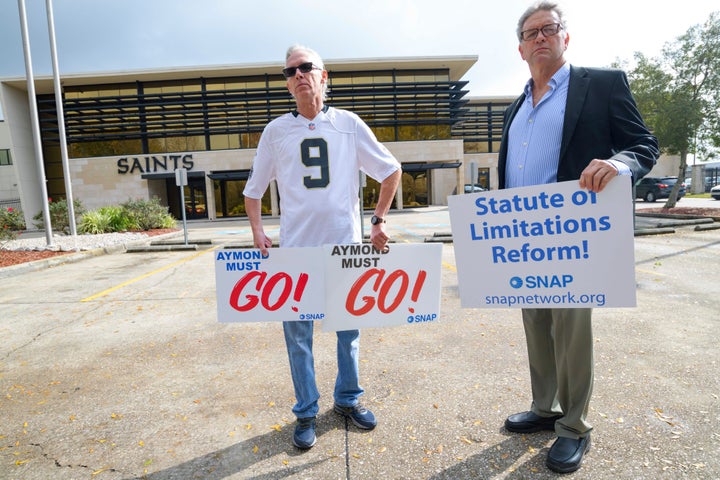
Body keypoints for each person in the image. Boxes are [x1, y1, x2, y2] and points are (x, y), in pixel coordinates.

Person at [497, 2, 659, 474]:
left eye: (550, 29)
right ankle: (545, 408)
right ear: (521, 48)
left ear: (566, 37)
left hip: (573, 235)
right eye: (531, 33)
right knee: (537, 327)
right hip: (523, 237)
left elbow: (643, 145)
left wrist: (618, 163)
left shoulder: (602, 84)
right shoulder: (515, 106)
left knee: (571, 331)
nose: (540, 37)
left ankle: (573, 426)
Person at [243, 45, 401, 450]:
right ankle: (306, 412)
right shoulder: (276, 131)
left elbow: (390, 170)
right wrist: (258, 231)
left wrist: (379, 220)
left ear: (324, 76)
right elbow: (254, 189)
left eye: (306, 67)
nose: (298, 74)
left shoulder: (348, 124)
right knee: (299, 339)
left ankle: (348, 400)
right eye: (290, 70)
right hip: (295, 253)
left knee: (348, 333)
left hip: (344, 249)